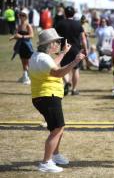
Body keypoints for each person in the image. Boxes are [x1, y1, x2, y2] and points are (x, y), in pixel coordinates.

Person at [29, 28, 85, 173]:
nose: (59, 44)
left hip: (44, 96)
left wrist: (63, 53)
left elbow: (52, 66)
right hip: (48, 97)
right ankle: (46, 162)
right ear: (49, 44)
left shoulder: (39, 56)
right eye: (57, 42)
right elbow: (58, 72)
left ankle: (55, 155)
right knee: (57, 129)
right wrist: (75, 61)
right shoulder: (43, 58)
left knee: (58, 127)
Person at [56, 6, 88, 96]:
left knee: (63, 68)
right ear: (74, 13)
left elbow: (56, 38)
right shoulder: (78, 24)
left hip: (64, 48)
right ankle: (74, 89)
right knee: (75, 69)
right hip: (76, 49)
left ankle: (66, 82)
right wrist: (86, 49)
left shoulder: (60, 23)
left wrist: (56, 48)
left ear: (65, 13)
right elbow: (83, 38)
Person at [10, 9, 34, 85]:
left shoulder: (28, 25)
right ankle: (25, 75)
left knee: (28, 62)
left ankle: (30, 77)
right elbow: (17, 35)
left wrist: (21, 36)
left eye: (23, 15)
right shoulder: (19, 25)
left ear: (26, 16)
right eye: (20, 15)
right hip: (20, 46)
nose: (21, 17)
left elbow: (31, 35)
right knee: (23, 62)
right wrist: (14, 37)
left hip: (27, 46)